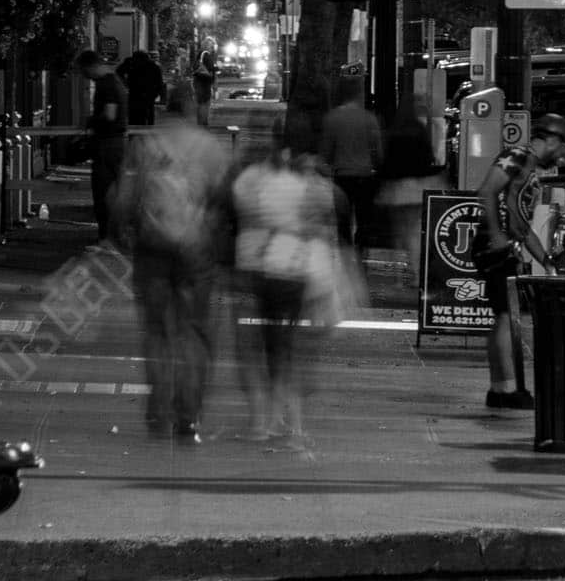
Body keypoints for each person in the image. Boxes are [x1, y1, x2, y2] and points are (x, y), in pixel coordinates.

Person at [112, 115, 229, 442]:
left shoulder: (146, 144)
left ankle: (158, 408)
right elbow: (224, 202)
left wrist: (121, 232)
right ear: (193, 109)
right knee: (193, 332)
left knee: (157, 331)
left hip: (153, 250)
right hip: (195, 253)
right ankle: (187, 416)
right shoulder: (209, 147)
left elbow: (124, 199)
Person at [230, 144, 337, 445]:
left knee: (274, 349)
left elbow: (250, 213)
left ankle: (269, 422)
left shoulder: (263, 183)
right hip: (302, 271)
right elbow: (323, 223)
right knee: (292, 350)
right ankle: (291, 423)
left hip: (272, 268)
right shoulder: (315, 188)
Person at [474, 113, 565, 410]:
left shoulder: (530, 169)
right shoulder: (517, 156)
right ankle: (509, 390)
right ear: (552, 140)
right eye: (563, 149)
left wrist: (545, 260)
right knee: (508, 318)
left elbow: (521, 225)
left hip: (504, 245)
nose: (561, 157)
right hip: (494, 246)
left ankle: (499, 388)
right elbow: (487, 191)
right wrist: (497, 236)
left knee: (502, 318)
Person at [376, 93, 443, 283]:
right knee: (416, 232)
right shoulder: (421, 131)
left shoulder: (395, 132)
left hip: (397, 190)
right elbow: (429, 160)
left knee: (400, 233)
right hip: (418, 188)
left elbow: (386, 163)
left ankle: (399, 275)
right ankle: (417, 272)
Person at [317, 84, 383, 254]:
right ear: (359, 96)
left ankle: (345, 254)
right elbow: (377, 151)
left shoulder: (332, 118)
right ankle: (361, 252)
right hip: (365, 175)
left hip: (342, 176)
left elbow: (325, 153)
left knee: (342, 221)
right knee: (363, 219)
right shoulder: (369, 118)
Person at [76, 49, 128, 246]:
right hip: (117, 144)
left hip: (107, 145)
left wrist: (90, 122)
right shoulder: (115, 82)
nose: (85, 76)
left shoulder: (107, 85)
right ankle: (116, 234)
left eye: (84, 71)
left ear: (90, 66)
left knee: (103, 191)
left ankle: (107, 236)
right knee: (115, 191)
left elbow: (109, 115)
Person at [118, 49, 166, 126]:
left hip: (135, 93)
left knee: (134, 115)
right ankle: (148, 128)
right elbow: (159, 82)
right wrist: (157, 94)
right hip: (148, 94)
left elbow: (119, 72)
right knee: (148, 113)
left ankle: (136, 128)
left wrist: (125, 83)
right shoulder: (153, 66)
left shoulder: (131, 63)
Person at [191, 50, 216, 127]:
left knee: (200, 104)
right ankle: (204, 122)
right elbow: (212, 77)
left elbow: (194, 75)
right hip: (206, 85)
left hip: (199, 86)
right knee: (206, 104)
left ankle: (200, 122)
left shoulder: (197, 64)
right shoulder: (208, 58)